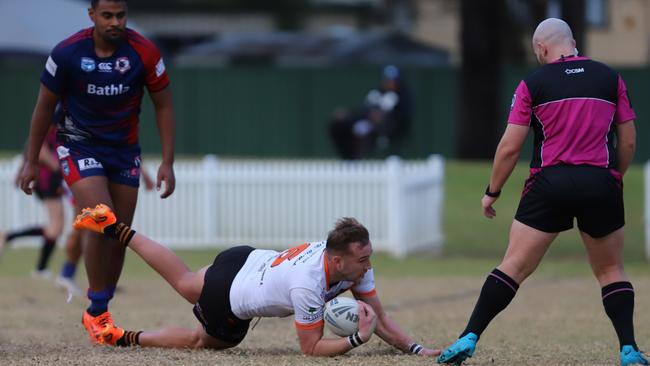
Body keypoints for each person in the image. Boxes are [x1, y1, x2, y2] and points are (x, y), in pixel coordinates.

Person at [437, 18, 647, 366]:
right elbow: (628, 139)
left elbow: (509, 146)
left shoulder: (533, 84)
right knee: (611, 271)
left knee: (514, 265)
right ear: (573, 42)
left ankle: (468, 336)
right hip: (600, 182)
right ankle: (628, 350)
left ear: (541, 48)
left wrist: (493, 190)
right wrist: (613, 178)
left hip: (550, 184)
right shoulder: (611, 78)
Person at [73, 204, 440, 357]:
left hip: (245, 258)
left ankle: (114, 226)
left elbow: (381, 317)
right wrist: (357, 338)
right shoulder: (308, 284)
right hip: (230, 295)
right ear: (338, 259)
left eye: (369, 256)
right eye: (363, 259)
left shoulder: (351, 264)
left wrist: (418, 351)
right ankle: (118, 336)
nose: (369, 264)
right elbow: (311, 349)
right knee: (202, 341)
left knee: (184, 280)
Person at [17, 0, 176, 344]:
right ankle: (97, 310)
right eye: (107, 15)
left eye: (120, 15)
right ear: (92, 16)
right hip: (78, 146)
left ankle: (99, 311)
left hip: (123, 152)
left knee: (120, 234)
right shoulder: (68, 53)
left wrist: (167, 161)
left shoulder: (144, 52)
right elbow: (43, 107)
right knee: (102, 220)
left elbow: (163, 104)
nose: (115, 22)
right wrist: (31, 160)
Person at [0, 123, 64, 279]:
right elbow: (39, 149)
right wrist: (57, 169)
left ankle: (40, 268)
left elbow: (32, 143)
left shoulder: (55, 121)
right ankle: (40, 269)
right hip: (47, 179)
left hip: (46, 179)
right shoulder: (53, 121)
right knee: (56, 226)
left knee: (55, 227)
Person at [329, 65, 412, 160]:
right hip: (368, 123)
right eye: (388, 80)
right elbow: (364, 110)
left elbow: (403, 115)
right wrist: (348, 114)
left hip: (388, 128)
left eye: (393, 80)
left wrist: (384, 116)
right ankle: (350, 158)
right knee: (345, 126)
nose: (390, 83)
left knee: (371, 130)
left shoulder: (403, 96)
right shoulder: (377, 93)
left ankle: (360, 157)